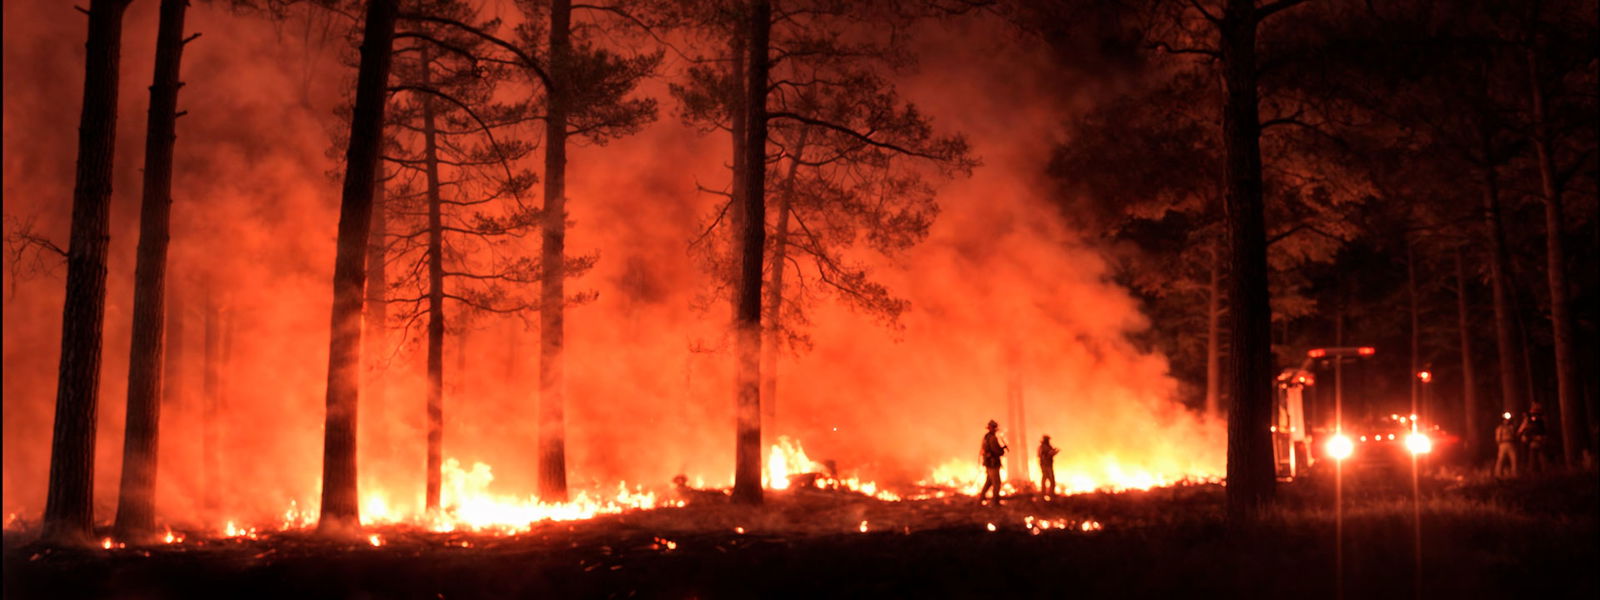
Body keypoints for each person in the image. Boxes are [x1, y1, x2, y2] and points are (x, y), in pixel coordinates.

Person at [978, 420, 1006, 506]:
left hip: (988, 463)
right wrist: (1002, 450)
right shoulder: (993, 438)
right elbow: (996, 451)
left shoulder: (986, 437)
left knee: (989, 481)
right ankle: (995, 502)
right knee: (997, 483)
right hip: (993, 463)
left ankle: (981, 498)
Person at [1519, 404, 1549, 474]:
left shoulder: (1540, 422)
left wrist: (1541, 438)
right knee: (1533, 459)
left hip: (1540, 441)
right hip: (1533, 442)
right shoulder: (1530, 421)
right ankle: (1533, 472)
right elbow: (1524, 431)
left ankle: (1544, 472)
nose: (1534, 416)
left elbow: (1543, 431)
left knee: (1541, 458)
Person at [1494, 413, 1518, 478]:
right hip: (1503, 444)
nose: (1506, 421)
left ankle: (1514, 474)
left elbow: (1515, 435)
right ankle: (1498, 475)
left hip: (1511, 444)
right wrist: (1499, 444)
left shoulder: (1512, 427)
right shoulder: (1500, 428)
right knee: (1501, 460)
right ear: (1503, 420)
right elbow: (1497, 438)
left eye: (1508, 420)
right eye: (1505, 420)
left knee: (1514, 459)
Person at [1038, 435, 1060, 500]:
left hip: (1047, 465)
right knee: (1051, 480)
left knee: (1045, 479)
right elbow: (1045, 455)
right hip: (1046, 466)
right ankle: (1050, 494)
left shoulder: (1045, 447)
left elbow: (1049, 453)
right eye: (1047, 440)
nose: (1048, 441)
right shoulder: (1043, 447)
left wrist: (1054, 452)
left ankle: (1045, 494)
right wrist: (1053, 452)